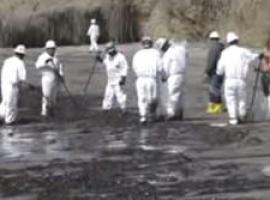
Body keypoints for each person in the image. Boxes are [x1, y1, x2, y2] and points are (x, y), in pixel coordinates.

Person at [216, 32, 259, 125]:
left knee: (230, 99)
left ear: (228, 42)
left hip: (229, 80)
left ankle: (233, 118)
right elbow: (253, 57)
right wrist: (260, 55)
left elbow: (220, 69)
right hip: (241, 80)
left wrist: (219, 73)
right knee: (241, 99)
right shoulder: (243, 51)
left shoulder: (225, 53)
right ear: (237, 41)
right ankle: (242, 115)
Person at [0, 45, 34, 125]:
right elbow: (22, 79)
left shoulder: (7, 60)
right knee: (11, 106)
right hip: (12, 86)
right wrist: (30, 86)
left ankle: (3, 119)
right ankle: (9, 123)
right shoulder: (20, 63)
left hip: (4, 85)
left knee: (5, 103)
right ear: (22, 55)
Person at [155, 38, 188, 121]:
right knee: (180, 95)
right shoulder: (180, 49)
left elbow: (165, 68)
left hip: (173, 76)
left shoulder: (168, 54)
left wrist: (163, 77)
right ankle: (179, 112)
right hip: (182, 75)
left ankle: (171, 114)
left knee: (171, 95)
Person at [132, 36, 161, 124]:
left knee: (143, 98)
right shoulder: (155, 53)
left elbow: (134, 67)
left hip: (141, 78)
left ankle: (145, 116)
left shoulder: (137, 54)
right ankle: (147, 115)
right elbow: (160, 66)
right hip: (149, 78)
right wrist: (163, 75)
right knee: (150, 98)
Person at [96, 42, 129, 112]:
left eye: (111, 52)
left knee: (120, 95)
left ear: (114, 49)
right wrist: (99, 58)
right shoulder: (108, 56)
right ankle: (106, 108)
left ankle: (123, 108)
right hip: (110, 80)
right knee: (108, 95)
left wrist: (123, 79)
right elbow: (105, 62)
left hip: (118, 80)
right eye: (108, 52)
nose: (110, 53)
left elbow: (124, 68)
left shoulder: (120, 57)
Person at [35, 40, 64, 117]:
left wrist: (61, 75)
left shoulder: (56, 57)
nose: (53, 50)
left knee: (53, 97)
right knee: (46, 96)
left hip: (55, 79)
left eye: (53, 48)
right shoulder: (42, 57)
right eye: (51, 48)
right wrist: (47, 65)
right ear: (47, 49)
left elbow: (60, 67)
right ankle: (44, 112)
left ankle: (52, 112)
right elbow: (38, 66)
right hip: (47, 79)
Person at [205, 31, 225, 114]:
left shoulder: (214, 48)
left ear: (211, 39)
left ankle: (215, 108)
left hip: (214, 71)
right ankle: (219, 107)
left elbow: (211, 61)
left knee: (214, 90)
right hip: (222, 71)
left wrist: (207, 71)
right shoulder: (222, 47)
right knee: (218, 89)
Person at [259, 38, 270, 118]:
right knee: (267, 94)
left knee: (268, 94)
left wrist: (264, 56)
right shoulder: (265, 51)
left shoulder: (266, 52)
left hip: (267, 74)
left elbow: (266, 58)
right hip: (265, 73)